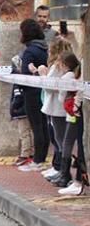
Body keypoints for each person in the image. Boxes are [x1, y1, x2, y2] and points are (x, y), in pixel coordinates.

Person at [36, 38, 74, 180]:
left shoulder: (57, 67)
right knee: (61, 138)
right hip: (60, 106)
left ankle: (63, 171)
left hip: (57, 107)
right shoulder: (67, 66)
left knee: (60, 138)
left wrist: (42, 74)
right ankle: (61, 169)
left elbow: (49, 87)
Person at [17, 19, 50, 172]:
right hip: (43, 90)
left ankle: (37, 159)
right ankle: (42, 156)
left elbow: (25, 73)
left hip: (31, 91)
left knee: (36, 125)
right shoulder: (43, 48)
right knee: (43, 124)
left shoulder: (29, 51)